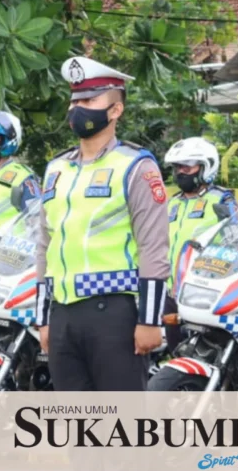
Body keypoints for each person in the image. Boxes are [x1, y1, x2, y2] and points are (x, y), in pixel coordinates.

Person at [32, 56, 169, 392]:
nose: (79, 108)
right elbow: (44, 245)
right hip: (62, 314)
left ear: (115, 111)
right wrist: (43, 318)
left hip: (113, 314)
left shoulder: (136, 166)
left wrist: (150, 319)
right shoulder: (57, 169)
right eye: (75, 101)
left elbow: (154, 246)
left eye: (90, 101)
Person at [161, 136, 238, 352]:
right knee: (176, 352)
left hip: (203, 291)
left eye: (187, 166)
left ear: (206, 167)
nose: (180, 172)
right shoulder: (172, 203)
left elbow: (237, 241)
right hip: (172, 292)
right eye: (177, 167)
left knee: (204, 351)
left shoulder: (222, 199)